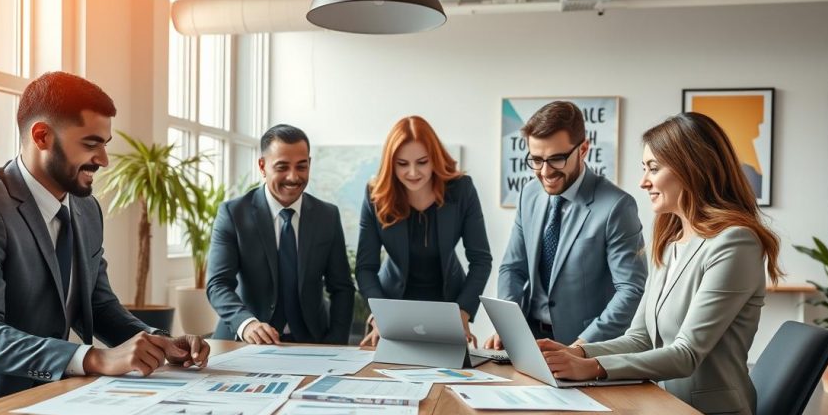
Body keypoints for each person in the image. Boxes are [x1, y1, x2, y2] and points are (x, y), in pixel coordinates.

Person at [0, 71, 208, 412]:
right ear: (42, 136)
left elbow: (99, 305)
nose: (104, 160)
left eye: (105, 145)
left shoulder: (86, 209)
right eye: (91, 144)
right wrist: (96, 358)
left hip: (42, 396)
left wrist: (159, 342)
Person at [539, 112, 782, 415]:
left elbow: (685, 355)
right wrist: (576, 354)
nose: (643, 181)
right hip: (663, 411)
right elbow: (640, 338)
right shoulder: (671, 244)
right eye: (644, 169)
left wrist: (594, 366)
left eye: (653, 168)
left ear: (692, 168)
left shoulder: (735, 243)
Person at [485, 101, 646, 349]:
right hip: (528, 339)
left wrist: (581, 347)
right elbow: (512, 269)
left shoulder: (617, 206)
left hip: (585, 345)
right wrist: (507, 326)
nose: (545, 172)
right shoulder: (528, 194)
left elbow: (631, 290)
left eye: (557, 159)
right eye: (536, 160)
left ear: (583, 149)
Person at [206, 124, 354, 345]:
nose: (293, 177)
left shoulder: (328, 216)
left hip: (313, 342)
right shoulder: (233, 214)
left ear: (310, 164)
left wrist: (337, 341)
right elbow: (217, 284)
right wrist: (247, 324)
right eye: (282, 167)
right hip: (245, 343)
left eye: (301, 166)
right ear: (262, 166)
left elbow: (342, 287)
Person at [356, 115, 492, 347]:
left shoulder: (462, 190)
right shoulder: (375, 195)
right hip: (392, 309)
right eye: (402, 164)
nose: (412, 172)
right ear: (391, 163)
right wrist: (379, 314)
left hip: (448, 308)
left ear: (435, 159)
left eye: (422, 162)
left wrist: (463, 312)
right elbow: (365, 267)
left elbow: (481, 260)